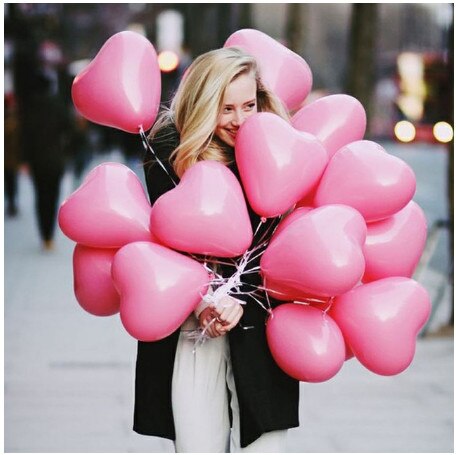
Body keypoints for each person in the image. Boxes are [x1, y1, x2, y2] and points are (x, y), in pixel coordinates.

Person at [135, 47, 299, 453]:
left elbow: (290, 245)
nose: (240, 120)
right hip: (193, 331)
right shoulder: (170, 159)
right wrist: (201, 302)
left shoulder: (280, 155)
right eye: (226, 109)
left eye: (249, 105)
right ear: (203, 105)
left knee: (265, 443)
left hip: (260, 331)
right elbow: (160, 248)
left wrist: (241, 299)